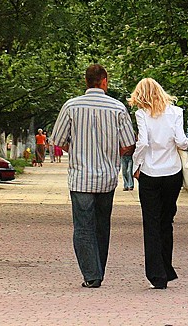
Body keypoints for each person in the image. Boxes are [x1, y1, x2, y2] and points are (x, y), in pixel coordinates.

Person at [51, 63, 136, 289]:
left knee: (83, 227)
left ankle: (91, 275)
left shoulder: (71, 106)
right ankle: (99, 270)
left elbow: (58, 141)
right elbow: (129, 143)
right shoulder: (117, 108)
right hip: (107, 178)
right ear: (104, 81)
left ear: (86, 81)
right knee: (102, 226)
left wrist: (76, 150)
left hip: (80, 178)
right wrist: (111, 153)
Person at [129, 77, 188, 290]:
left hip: (150, 174)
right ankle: (167, 267)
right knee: (167, 221)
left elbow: (143, 142)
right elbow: (181, 140)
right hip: (173, 172)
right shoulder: (176, 112)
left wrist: (136, 164)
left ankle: (158, 275)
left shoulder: (141, 114)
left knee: (151, 223)